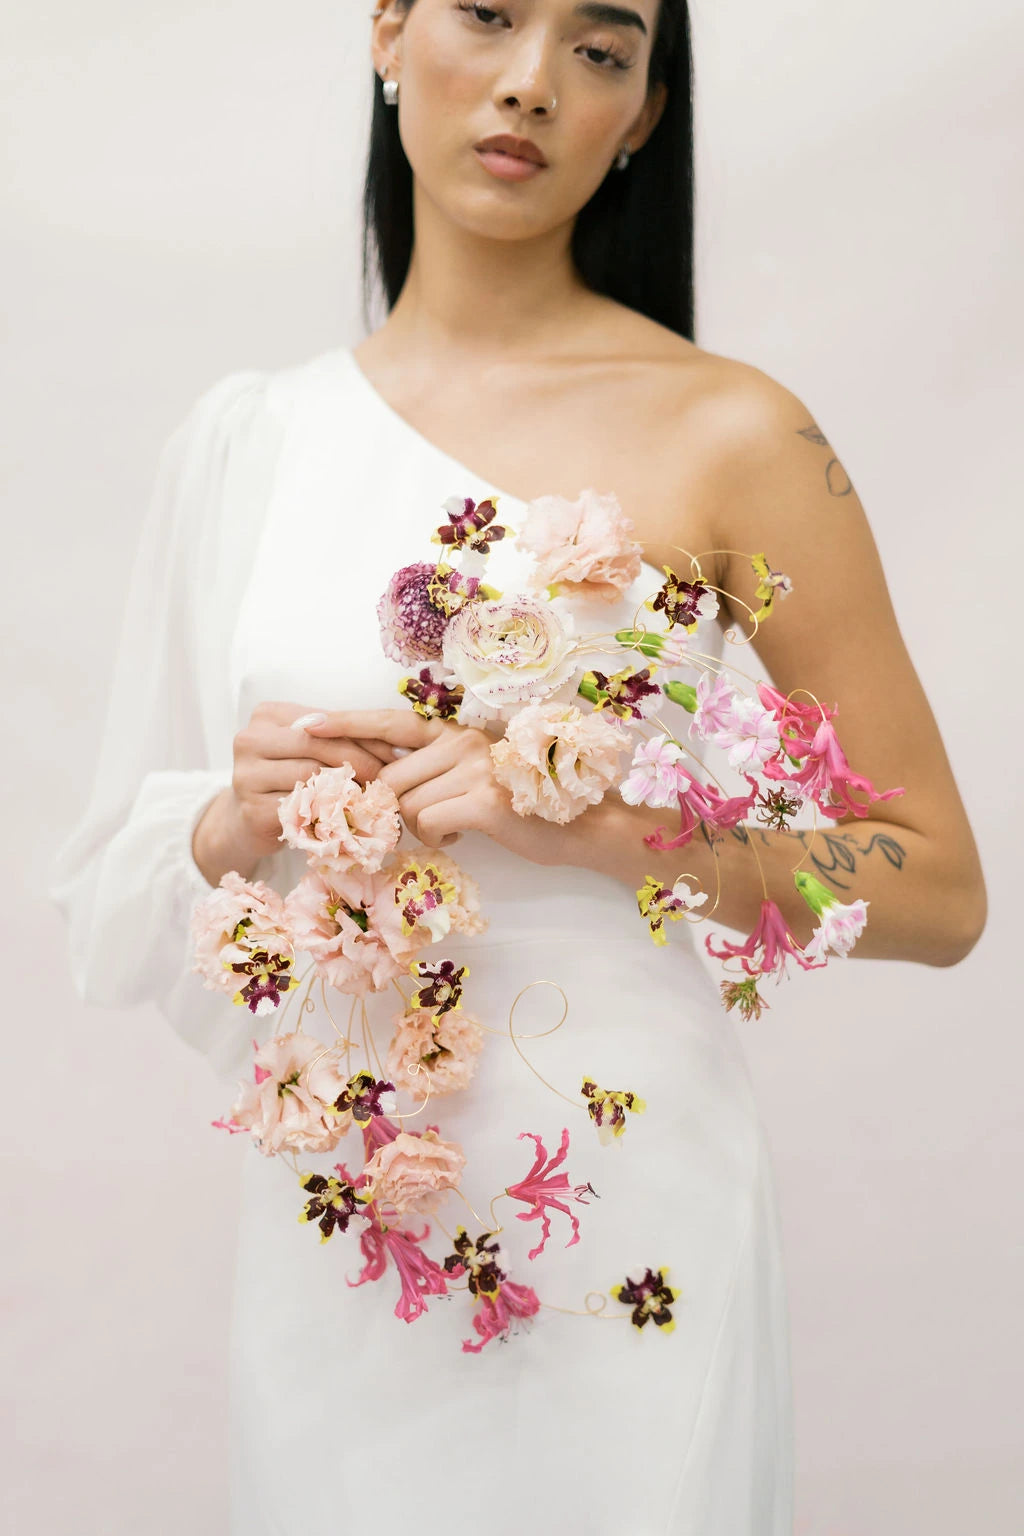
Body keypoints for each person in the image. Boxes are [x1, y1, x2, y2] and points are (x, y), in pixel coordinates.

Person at [47, 1, 986, 1531]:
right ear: (390, 31)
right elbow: (114, 894)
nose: (532, 82)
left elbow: (938, 888)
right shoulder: (252, 442)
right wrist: (235, 815)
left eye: (600, 51)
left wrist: (614, 828)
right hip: (351, 1212)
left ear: (645, 116)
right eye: (487, 14)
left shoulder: (738, 435)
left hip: (629, 1210)